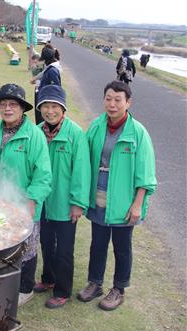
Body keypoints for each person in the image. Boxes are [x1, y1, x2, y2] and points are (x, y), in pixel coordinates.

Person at [77, 81, 157, 311]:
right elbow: (84, 160)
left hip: (124, 197)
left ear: (128, 102)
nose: (112, 104)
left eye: (118, 100)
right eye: (108, 99)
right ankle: (95, 283)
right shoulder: (96, 126)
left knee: (122, 245)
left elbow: (146, 173)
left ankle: (119, 289)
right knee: (98, 242)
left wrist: (137, 204)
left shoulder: (137, 132)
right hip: (99, 192)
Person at [0, 84, 52, 306]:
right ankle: (1, 282)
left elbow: (43, 173)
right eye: (4, 104)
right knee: (1, 244)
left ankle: (26, 287)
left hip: (25, 202)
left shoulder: (33, 135)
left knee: (27, 247)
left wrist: (33, 199)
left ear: (22, 108)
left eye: (13, 104)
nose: (8, 109)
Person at [33, 85, 91, 309]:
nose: (50, 111)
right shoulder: (37, 131)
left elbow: (82, 171)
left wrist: (78, 203)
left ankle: (62, 290)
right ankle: (48, 279)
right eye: (45, 106)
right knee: (46, 243)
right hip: (43, 200)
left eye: (54, 106)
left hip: (65, 202)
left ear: (63, 109)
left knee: (64, 248)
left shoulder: (75, 134)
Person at [35, 44, 62, 124]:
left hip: (47, 101)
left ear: (46, 60)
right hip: (43, 99)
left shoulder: (52, 71)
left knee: (43, 122)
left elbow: (55, 89)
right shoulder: (50, 68)